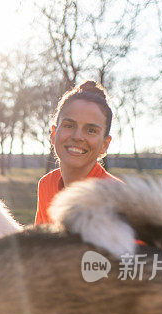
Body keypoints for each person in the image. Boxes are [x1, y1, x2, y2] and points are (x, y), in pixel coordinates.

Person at [34, 80, 122, 225]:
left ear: (104, 145)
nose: (77, 136)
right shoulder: (46, 184)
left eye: (91, 130)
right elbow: (39, 245)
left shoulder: (118, 198)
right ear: (53, 134)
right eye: (69, 125)